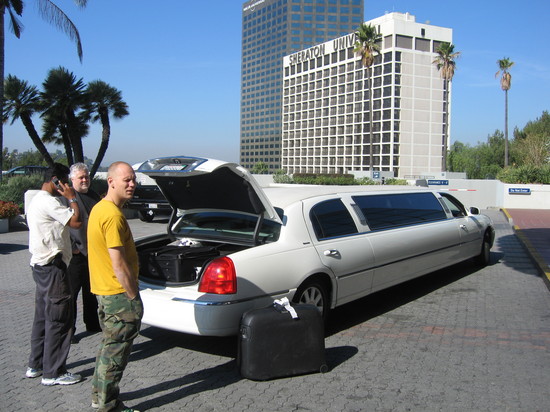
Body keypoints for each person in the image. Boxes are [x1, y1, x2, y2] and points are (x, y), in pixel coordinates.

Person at [88, 161, 142, 412]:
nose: (132, 184)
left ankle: (99, 398)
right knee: (115, 356)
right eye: (126, 180)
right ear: (111, 182)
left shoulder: (99, 208)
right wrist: (133, 296)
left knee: (108, 350)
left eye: (133, 180)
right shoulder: (112, 216)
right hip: (118, 296)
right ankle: (108, 406)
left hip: (104, 293)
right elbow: (118, 263)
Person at [26, 163, 83, 386]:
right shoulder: (50, 202)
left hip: (40, 266)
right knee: (59, 318)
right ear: (56, 181)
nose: (67, 186)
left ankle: (36, 364)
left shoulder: (35, 200)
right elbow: (76, 221)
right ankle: (54, 372)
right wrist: (72, 198)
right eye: (65, 182)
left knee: (42, 316)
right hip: (53, 268)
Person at [61, 163, 101, 343]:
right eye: (81, 177)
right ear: (72, 179)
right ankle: (69, 331)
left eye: (87, 177)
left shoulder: (94, 196)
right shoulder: (66, 198)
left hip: (93, 253)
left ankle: (93, 323)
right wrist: (73, 247)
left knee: (91, 292)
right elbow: (62, 225)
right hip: (75, 255)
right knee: (71, 294)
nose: (85, 180)